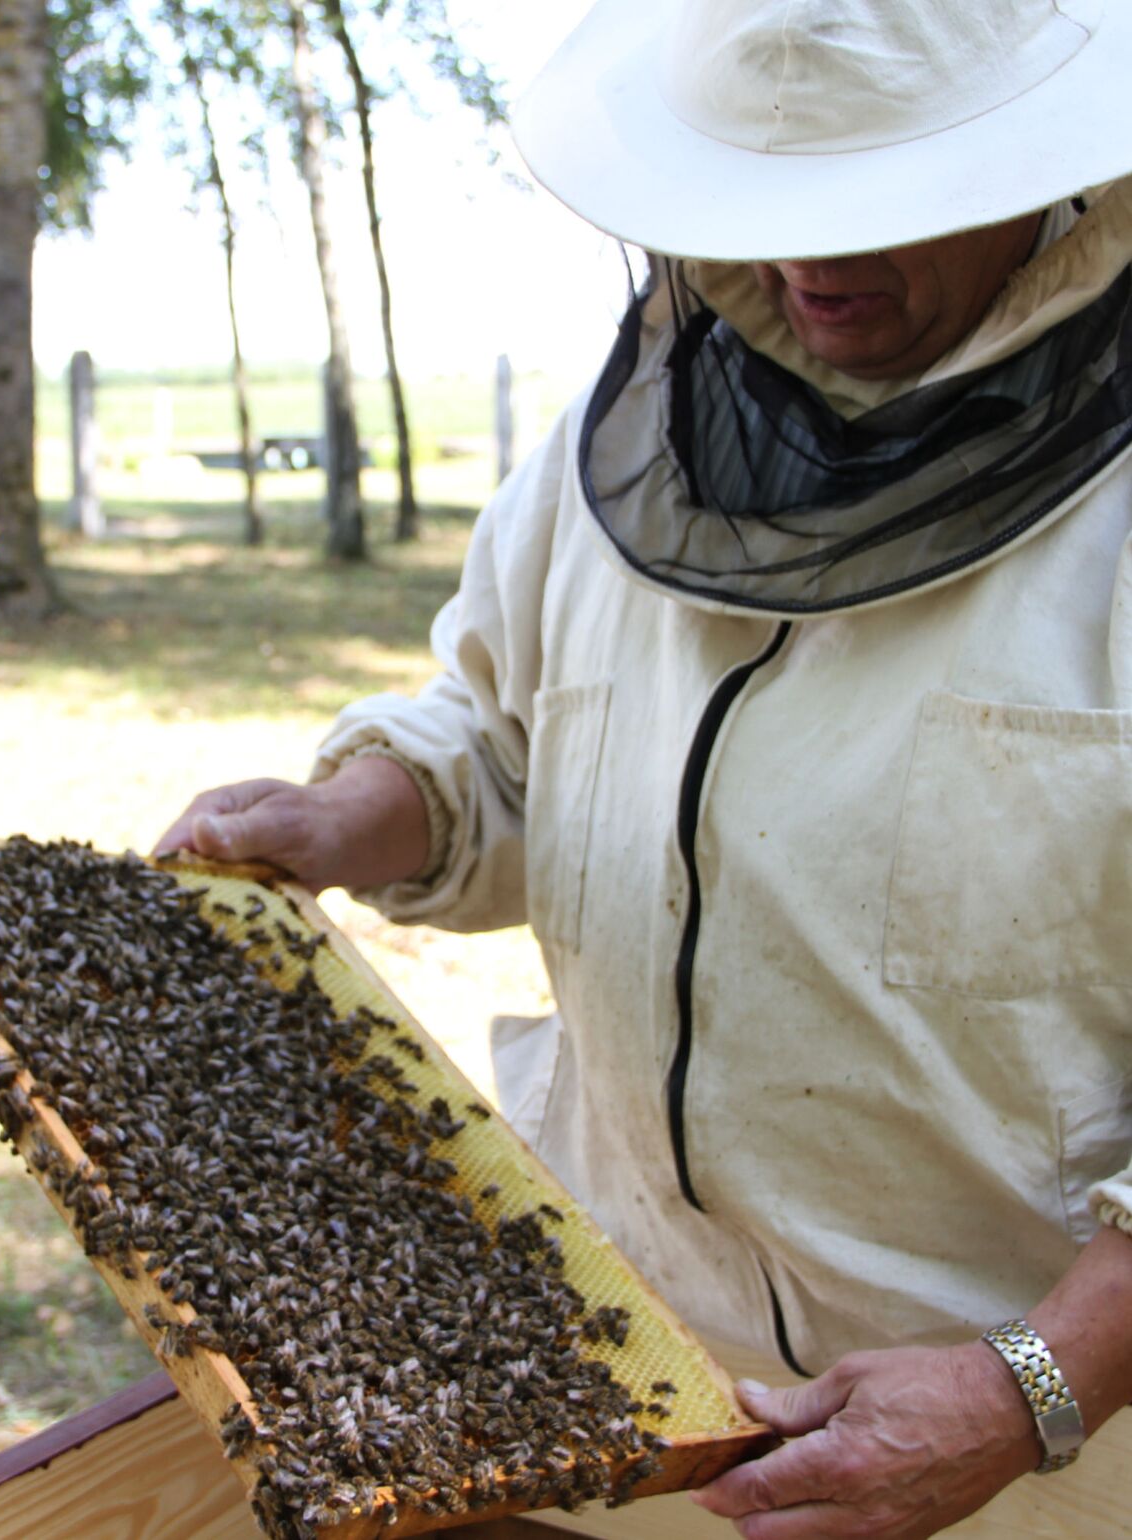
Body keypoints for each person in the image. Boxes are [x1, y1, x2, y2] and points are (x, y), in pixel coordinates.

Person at [158, 2, 1132, 1534]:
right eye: (771, 195)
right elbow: (506, 748)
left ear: (1036, 170)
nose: (819, 259)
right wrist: (350, 814)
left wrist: (1037, 1381)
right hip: (610, 1379)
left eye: (885, 198)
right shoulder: (613, 445)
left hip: (1025, 1460)